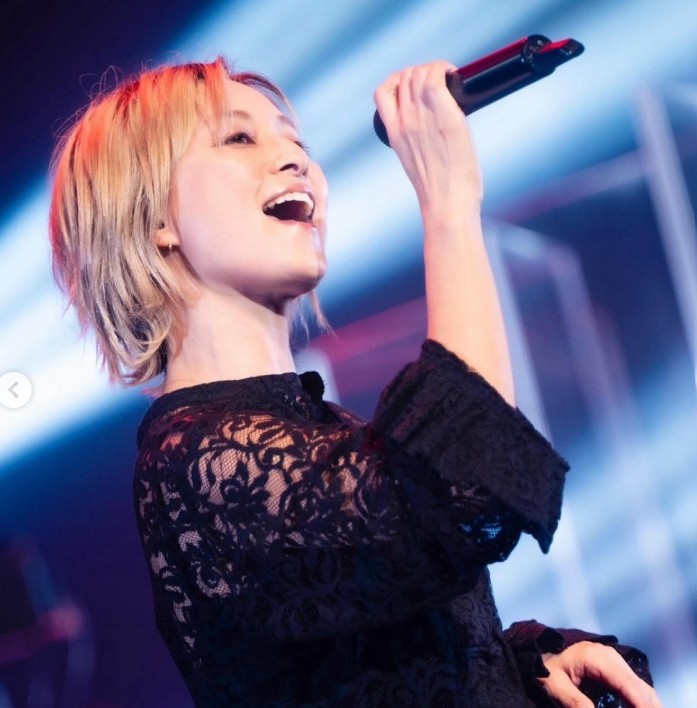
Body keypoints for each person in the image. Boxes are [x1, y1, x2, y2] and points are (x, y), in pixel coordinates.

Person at [48, 56, 661, 707]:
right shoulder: (197, 461)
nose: (294, 159)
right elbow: (463, 494)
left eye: (296, 142)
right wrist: (449, 209)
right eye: (239, 138)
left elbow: (387, 661)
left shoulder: (318, 429)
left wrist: (528, 666)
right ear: (154, 218)